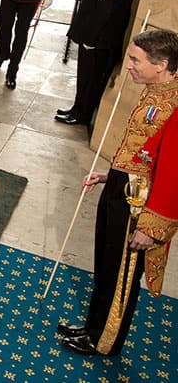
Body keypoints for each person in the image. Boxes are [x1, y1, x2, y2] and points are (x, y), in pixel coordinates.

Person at [58, 29, 178, 356]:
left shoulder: (174, 105)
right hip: (121, 185)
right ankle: (93, 325)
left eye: (136, 61)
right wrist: (110, 176)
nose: (129, 67)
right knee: (106, 264)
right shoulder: (155, 91)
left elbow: (172, 173)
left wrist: (151, 227)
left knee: (122, 275)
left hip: (140, 204)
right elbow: (142, 152)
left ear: (162, 64)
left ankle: (104, 340)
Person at [56, 0, 137, 125]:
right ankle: (77, 108)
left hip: (97, 40)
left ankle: (82, 114)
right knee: (84, 76)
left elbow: (104, 12)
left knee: (90, 79)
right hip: (93, 37)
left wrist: (90, 39)